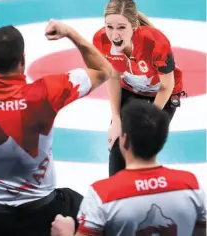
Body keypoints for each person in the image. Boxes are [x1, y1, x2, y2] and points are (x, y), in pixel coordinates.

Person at [0, 12, 112, 236]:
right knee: (97, 217)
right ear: (23, 59)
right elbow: (103, 71)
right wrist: (69, 33)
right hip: (43, 214)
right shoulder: (45, 92)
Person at [51, 99, 206, 236]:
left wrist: (65, 232)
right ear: (162, 140)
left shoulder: (102, 194)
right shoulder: (191, 185)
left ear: (124, 140)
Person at [92, 0, 185, 176]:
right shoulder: (101, 40)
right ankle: (117, 197)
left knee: (142, 147)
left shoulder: (156, 43)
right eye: (109, 27)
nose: (114, 35)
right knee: (118, 146)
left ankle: (143, 194)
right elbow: (113, 76)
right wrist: (116, 119)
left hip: (163, 94)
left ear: (134, 27)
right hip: (130, 89)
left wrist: (148, 120)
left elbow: (166, 86)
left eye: (121, 27)